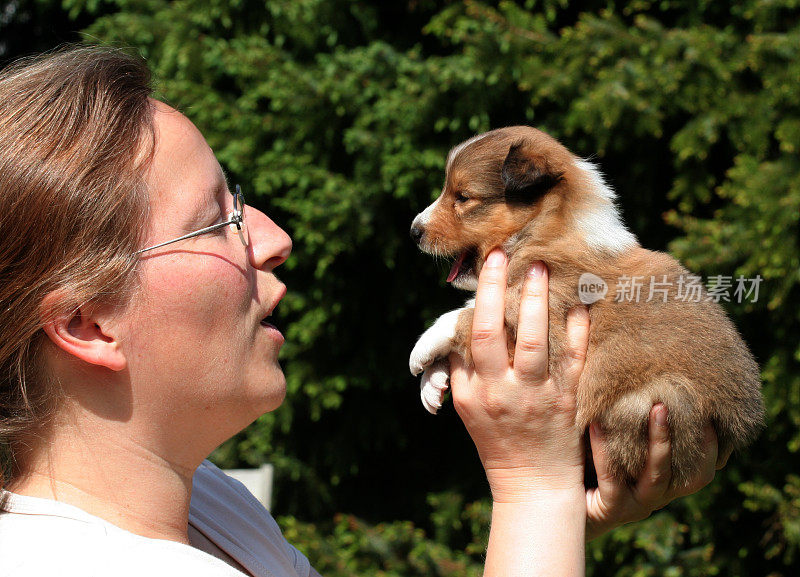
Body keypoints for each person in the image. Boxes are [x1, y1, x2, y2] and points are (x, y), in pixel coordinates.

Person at [0, 46, 725, 577]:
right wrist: (536, 491)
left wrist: (558, 514)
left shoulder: (207, 508)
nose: (277, 238)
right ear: (89, 323)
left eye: (242, 201)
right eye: (217, 220)